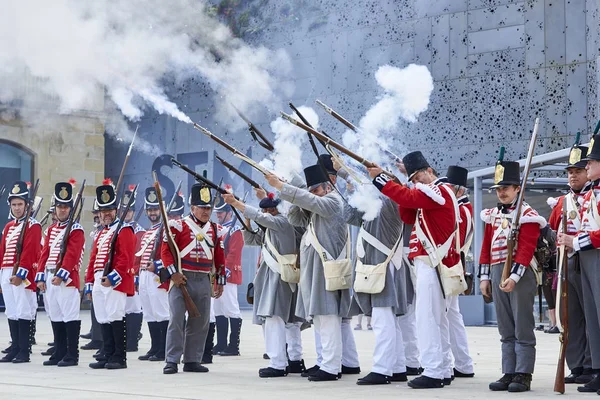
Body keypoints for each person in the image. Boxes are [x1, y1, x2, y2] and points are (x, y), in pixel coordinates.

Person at [368, 151, 458, 389]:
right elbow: (407, 213)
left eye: (419, 176)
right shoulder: (428, 193)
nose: (417, 181)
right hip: (429, 263)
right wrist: (401, 183)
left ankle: (433, 371)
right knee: (436, 319)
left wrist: (381, 180)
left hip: (432, 263)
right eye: (414, 178)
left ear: (430, 171)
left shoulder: (437, 190)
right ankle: (444, 368)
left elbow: (408, 197)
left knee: (427, 319)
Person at [265, 164, 352, 382]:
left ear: (327, 187)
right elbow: (295, 218)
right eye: (311, 190)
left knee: (328, 317)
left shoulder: (332, 202)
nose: (313, 194)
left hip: (327, 269)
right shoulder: (317, 206)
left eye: (316, 190)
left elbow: (311, 201)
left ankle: (332, 367)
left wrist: (283, 187)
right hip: (316, 271)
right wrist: (295, 198)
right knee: (321, 318)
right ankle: (326, 363)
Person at [335, 160, 408, 385]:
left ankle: (382, 369)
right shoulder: (374, 204)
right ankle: (397, 367)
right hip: (373, 269)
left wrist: (345, 174)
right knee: (386, 322)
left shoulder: (390, 203)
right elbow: (349, 216)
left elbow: (372, 192)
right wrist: (350, 190)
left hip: (382, 269)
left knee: (383, 321)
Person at [478, 158, 544, 392]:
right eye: (498, 188)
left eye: (506, 188)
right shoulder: (492, 215)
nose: (501, 193)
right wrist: (484, 278)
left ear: (518, 188)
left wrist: (513, 277)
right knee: (505, 326)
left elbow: (525, 249)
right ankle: (509, 371)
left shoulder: (527, 214)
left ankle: (523, 372)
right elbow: (486, 246)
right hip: (497, 270)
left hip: (520, 273)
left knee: (522, 325)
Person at [224, 188, 304, 377]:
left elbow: (266, 220)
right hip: (276, 277)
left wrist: (237, 204)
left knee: (275, 319)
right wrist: (247, 221)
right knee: (289, 321)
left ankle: (278, 363)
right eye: (266, 211)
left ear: (279, 210)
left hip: (278, 277)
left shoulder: (283, 222)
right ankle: (295, 360)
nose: (268, 214)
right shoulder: (271, 228)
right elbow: (251, 240)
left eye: (271, 210)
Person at [160, 183, 226, 374]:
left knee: (200, 322)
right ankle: (172, 360)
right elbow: (166, 251)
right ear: (192, 208)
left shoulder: (215, 229)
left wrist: (219, 281)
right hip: (182, 278)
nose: (206, 211)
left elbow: (220, 257)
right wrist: (174, 274)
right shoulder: (178, 225)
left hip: (204, 278)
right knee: (177, 320)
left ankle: (192, 360)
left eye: (208, 208)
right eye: (202, 207)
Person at [548, 143, 593, 384]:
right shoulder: (562, 201)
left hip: (587, 258)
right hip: (567, 262)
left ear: (588, 170)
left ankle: (590, 364)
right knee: (571, 316)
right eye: (569, 172)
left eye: (577, 170)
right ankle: (577, 365)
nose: (572, 175)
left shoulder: (593, 196)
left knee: (590, 316)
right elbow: (553, 227)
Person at [558, 136, 600, 393]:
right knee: (593, 318)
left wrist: (576, 241)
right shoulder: (591, 194)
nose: (586, 168)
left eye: (591, 162)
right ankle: (596, 368)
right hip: (586, 257)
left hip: (593, 253)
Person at [85, 179, 136, 370]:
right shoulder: (100, 233)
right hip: (99, 279)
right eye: (103, 211)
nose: (106, 214)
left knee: (115, 316)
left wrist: (113, 278)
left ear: (116, 210)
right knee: (103, 317)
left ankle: (118, 356)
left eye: (109, 210)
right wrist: (90, 282)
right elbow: (93, 260)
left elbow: (126, 258)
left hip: (113, 280)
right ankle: (107, 353)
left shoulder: (124, 229)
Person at [35, 180, 85, 367]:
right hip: (49, 276)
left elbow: (72, 256)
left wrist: (61, 275)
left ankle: (72, 354)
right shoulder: (51, 230)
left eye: (65, 207)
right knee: (55, 314)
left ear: (70, 209)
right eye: (59, 206)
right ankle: (59, 351)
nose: (62, 210)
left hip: (66, 279)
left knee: (69, 316)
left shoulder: (76, 229)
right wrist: (41, 276)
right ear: (54, 209)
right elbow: (44, 254)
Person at [0, 181, 42, 363]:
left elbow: (30, 252)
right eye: (14, 204)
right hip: (6, 271)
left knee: (23, 310)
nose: (17, 208)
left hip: (20, 273)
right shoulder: (9, 226)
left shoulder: (33, 225)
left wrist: (21, 274)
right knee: (11, 310)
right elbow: (2, 251)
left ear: (27, 205)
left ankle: (24, 350)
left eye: (20, 204)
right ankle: (15, 347)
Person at [444, 166, 475, 379]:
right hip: (453, 266)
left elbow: (452, 241)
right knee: (452, 316)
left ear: (460, 191)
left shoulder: (461, 210)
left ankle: (457, 363)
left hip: (451, 266)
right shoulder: (462, 208)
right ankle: (463, 364)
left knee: (447, 316)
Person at [136, 187, 169, 362]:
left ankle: (164, 349)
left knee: (161, 312)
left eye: (155, 209)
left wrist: (156, 265)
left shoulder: (165, 229)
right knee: (149, 313)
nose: (152, 213)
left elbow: (170, 253)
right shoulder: (148, 231)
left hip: (157, 275)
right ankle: (155, 347)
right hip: (144, 275)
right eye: (150, 210)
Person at [213, 189, 244, 357]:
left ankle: (233, 346)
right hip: (219, 274)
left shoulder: (235, 230)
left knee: (231, 308)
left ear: (228, 213)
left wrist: (223, 271)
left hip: (228, 275)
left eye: (221, 212)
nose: (218, 215)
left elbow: (233, 254)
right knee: (218, 309)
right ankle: (222, 343)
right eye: (217, 213)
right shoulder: (219, 229)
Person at [120, 186, 145, 352]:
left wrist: (135, 275)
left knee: (134, 308)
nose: (127, 213)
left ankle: (132, 342)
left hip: (133, 275)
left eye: (129, 211)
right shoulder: (119, 229)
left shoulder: (140, 231)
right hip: (119, 275)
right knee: (121, 309)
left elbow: (138, 256)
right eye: (124, 210)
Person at [81, 201, 103, 351]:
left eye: (98, 212)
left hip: (105, 274)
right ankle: (95, 334)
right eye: (95, 213)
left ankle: (100, 339)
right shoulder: (97, 231)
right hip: (95, 271)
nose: (96, 215)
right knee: (95, 306)